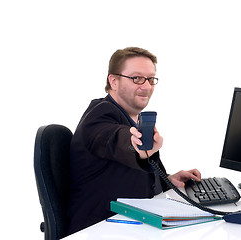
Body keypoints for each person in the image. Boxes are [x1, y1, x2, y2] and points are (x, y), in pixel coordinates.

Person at [67, 47, 201, 235]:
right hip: (97, 230)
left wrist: (168, 180)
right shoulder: (99, 115)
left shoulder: (132, 118)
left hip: (128, 225)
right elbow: (114, 139)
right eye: (137, 78)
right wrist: (136, 145)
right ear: (113, 81)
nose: (146, 86)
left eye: (151, 79)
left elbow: (133, 178)